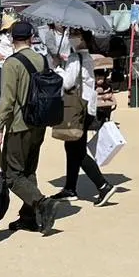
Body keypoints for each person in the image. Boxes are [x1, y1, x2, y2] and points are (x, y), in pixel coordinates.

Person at [0, 21, 58, 235]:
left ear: (11, 39)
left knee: (12, 174)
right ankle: (28, 217)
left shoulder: (12, 63)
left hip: (18, 125)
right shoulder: (41, 59)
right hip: (38, 122)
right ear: (31, 37)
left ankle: (41, 203)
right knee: (29, 170)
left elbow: (8, 100)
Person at [52, 29, 115, 205]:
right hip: (86, 107)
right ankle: (70, 187)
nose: (71, 37)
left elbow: (67, 83)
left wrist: (57, 68)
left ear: (81, 38)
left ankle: (103, 185)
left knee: (77, 150)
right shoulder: (86, 57)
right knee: (72, 147)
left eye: (74, 34)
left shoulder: (75, 58)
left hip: (76, 108)